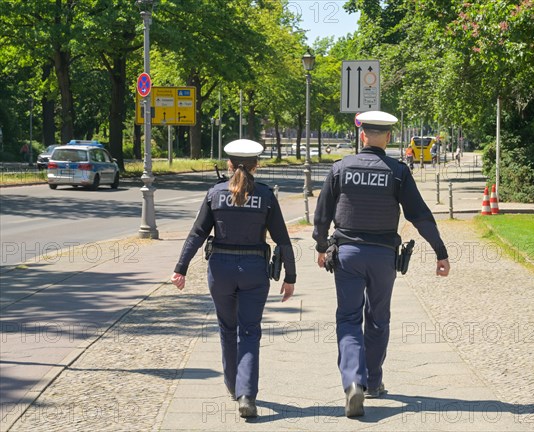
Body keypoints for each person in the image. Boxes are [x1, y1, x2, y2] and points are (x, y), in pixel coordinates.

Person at [312, 111, 450, 418]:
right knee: (377, 318)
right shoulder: (397, 171)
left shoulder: (340, 168)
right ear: (388, 137)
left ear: (362, 136)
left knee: (348, 319)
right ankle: (373, 381)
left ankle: (353, 383)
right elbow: (419, 215)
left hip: (347, 254)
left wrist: (322, 246)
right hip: (383, 257)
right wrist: (440, 252)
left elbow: (322, 214)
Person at [171, 139, 296, 418]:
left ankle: (232, 385)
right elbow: (282, 239)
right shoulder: (265, 195)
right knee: (249, 331)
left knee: (228, 328)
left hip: (221, 270)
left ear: (229, 164)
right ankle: (247, 395)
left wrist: (181, 268)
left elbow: (197, 234)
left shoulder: (215, 194)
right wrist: (290, 275)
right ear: (257, 165)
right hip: (254, 269)